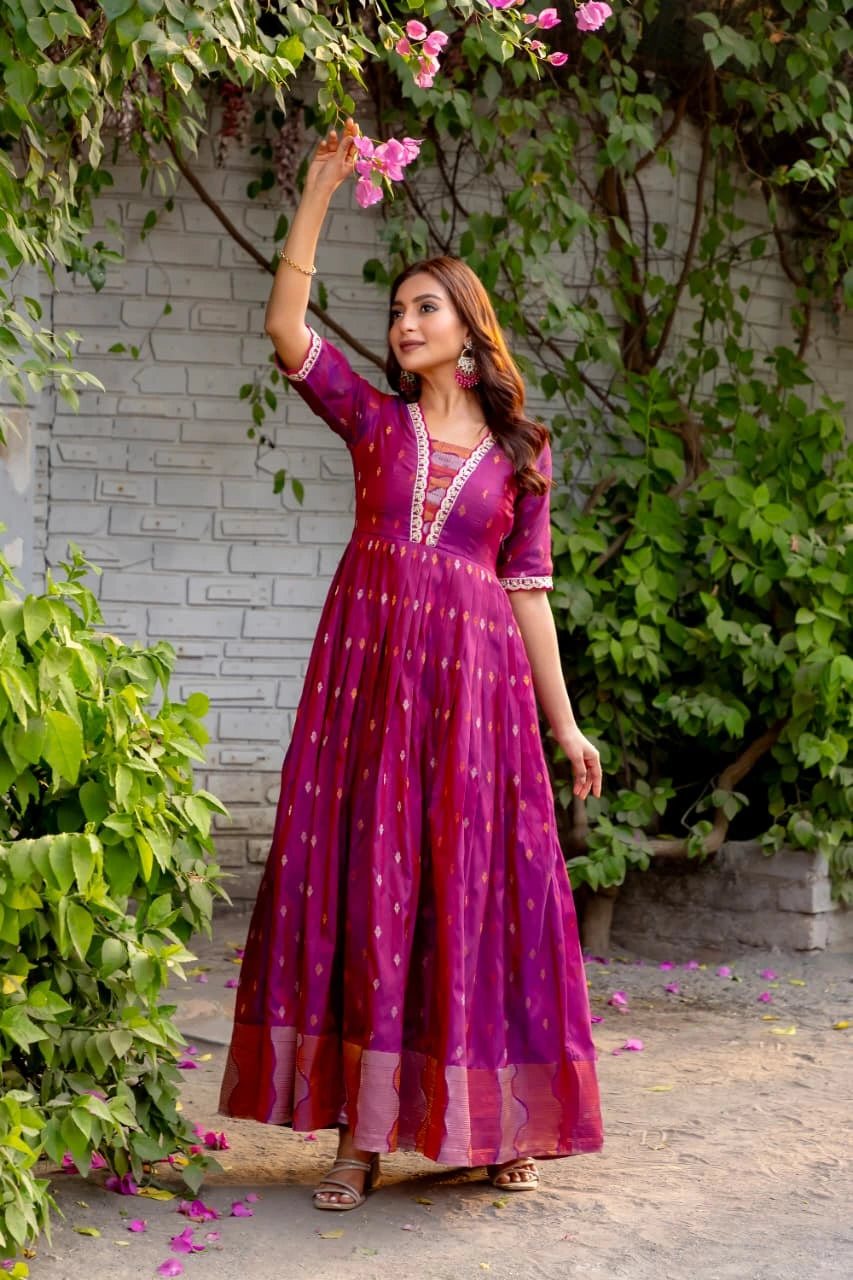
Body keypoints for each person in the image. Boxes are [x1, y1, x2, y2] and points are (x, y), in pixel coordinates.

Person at [219, 119, 604, 1211]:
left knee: (471, 893)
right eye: (395, 311)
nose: (402, 322)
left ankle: (494, 1120)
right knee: (373, 888)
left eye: (422, 307)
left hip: (477, 704)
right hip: (370, 692)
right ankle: (361, 1139)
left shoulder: (523, 456)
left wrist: (564, 724)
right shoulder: (373, 424)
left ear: (468, 328)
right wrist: (317, 191)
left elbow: (528, 594)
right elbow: (286, 328)